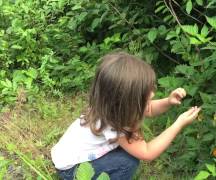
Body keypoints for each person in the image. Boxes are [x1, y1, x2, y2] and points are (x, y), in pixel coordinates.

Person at [51, 52, 201, 180]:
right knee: (127, 162)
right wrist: (178, 124)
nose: (153, 94)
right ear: (126, 100)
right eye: (146, 92)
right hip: (71, 170)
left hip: (66, 155)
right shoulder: (114, 124)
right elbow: (147, 152)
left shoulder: (110, 106)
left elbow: (147, 109)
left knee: (126, 154)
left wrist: (168, 101)